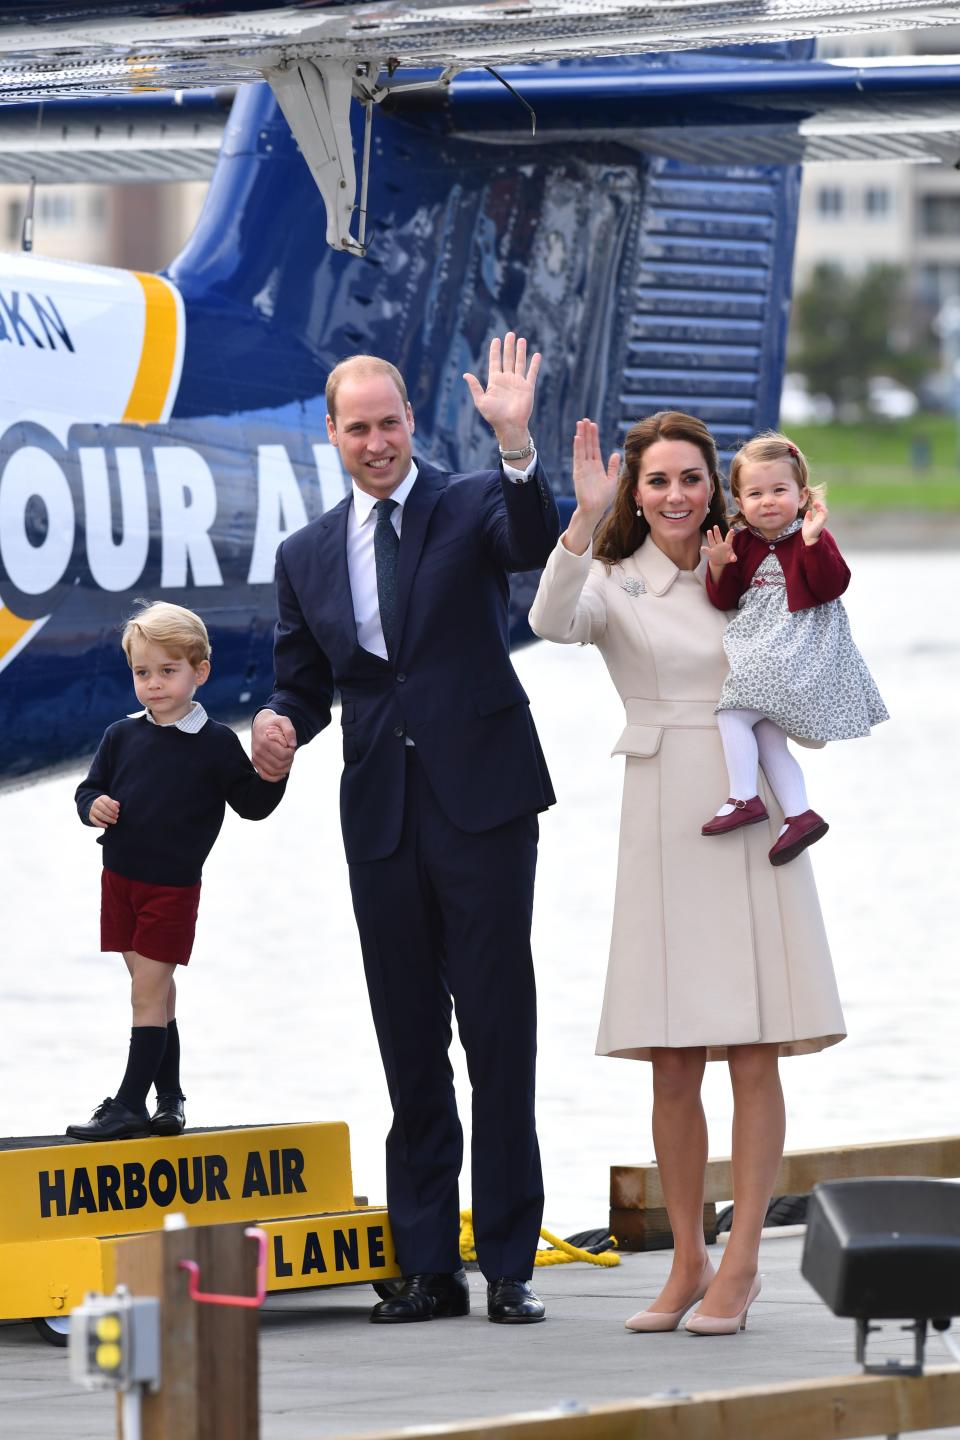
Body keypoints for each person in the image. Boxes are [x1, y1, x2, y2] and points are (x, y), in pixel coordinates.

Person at [251, 335, 558, 1325]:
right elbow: (307, 685)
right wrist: (280, 727)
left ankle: (509, 1262)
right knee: (409, 1041)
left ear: (412, 424)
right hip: (380, 813)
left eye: (391, 424)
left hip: (484, 801)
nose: (377, 441)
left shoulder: (469, 502)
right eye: (358, 428)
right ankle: (428, 1262)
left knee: (500, 1033)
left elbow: (530, 539)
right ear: (332, 435)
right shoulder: (305, 556)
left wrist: (515, 445)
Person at [529, 412, 846, 1336]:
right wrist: (580, 522)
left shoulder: (758, 567)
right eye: (658, 480)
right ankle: (685, 1260)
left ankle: (742, 1262)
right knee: (672, 1058)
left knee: (752, 1049)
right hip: (664, 808)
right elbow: (551, 622)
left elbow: (812, 659)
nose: (676, 496)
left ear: (718, 486)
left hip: (751, 813)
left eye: (692, 479)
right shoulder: (612, 576)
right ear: (635, 488)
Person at [69, 601, 286, 1142]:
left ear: (199, 672)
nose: (154, 684)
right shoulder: (121, 734)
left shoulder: (215, 744)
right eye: (143, 673)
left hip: (170, 889)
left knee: (146, 993)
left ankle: (127, 1105)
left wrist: (274, 770)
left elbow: (252, 804)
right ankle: (170, 1099)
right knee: (158, 996)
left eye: (168, 671)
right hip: (118, 881)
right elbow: (89, 787)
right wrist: (91, 804)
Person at [700, 431, 888, 865]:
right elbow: (725, 600)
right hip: (764, 650)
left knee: (731, 711)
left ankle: (744, 797)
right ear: (739, 499)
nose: (768, 501)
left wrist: (812, 542)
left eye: (779, 490)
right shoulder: (742, 542)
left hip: (797, 649)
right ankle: (800, 814)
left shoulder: (809, 534)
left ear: (802, 495)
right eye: (756, 493)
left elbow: (831, 586)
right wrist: (718, 565)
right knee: (766, 733)